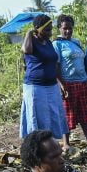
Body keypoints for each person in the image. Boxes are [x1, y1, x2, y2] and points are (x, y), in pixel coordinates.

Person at [20, 14, 70, 148]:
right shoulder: (31, 42)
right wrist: (28, 33)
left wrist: (61, 83)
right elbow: (26, 50)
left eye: (50, 29)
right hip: (35, 86)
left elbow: (53, 63)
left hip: (51, 86)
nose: (50, 32)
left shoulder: (48, 42)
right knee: (38, 117)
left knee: (54, 114)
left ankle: (49, 144)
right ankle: (36, 146)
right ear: (37, 29)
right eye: (46, 29)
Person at [53, 14, 87, 141]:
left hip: (83, 82)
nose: (68, 31)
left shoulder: (76, 42)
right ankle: (66, 144)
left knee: (84, 114)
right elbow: (56, 66)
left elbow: (84, 62)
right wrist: (60, 84)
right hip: (68, 84)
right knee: (68, 115)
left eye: (70, 28)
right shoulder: (57, 44)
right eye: (65, 28)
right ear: (59, 28)